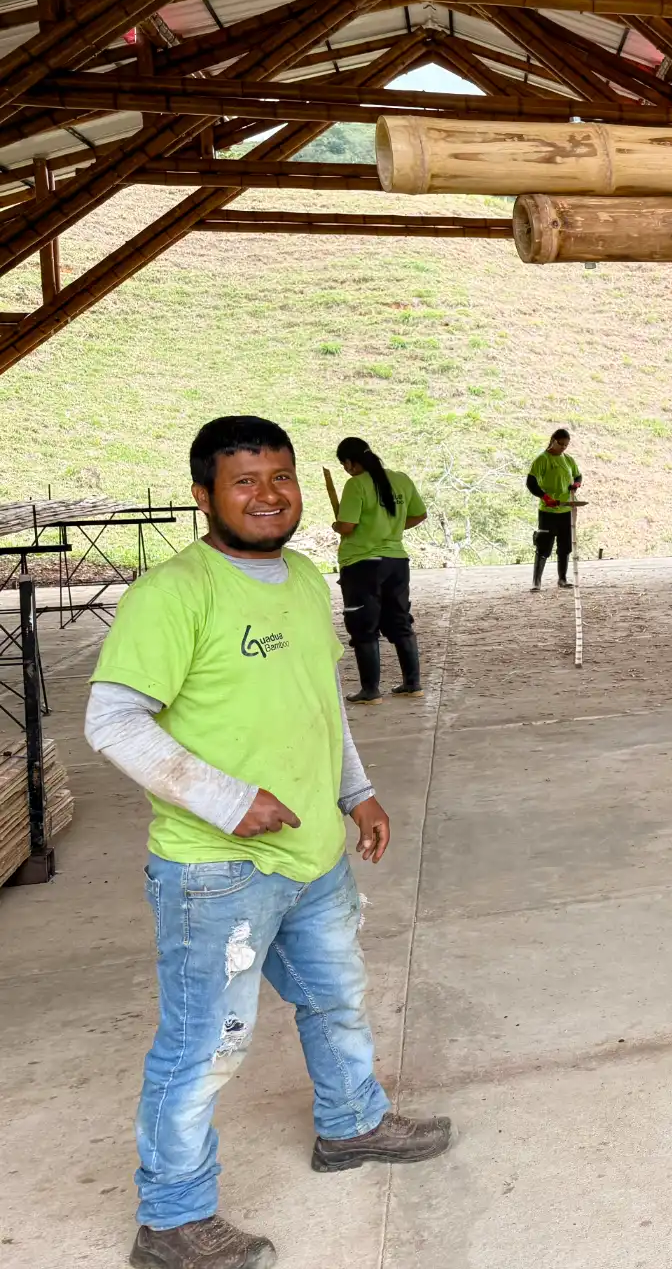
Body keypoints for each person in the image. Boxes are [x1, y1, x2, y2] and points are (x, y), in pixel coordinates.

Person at [84, 415, 450, 1269]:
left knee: (337, 998)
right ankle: (171, 1221)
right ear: (203, 495)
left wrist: (355, 793)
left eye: (280, 476)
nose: (269, 494)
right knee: (204, 1043)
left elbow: (318, 702)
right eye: (244, 481)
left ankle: (353, 1125)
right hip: (217, 873)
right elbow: (111, 720)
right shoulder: (175, 594)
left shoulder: (300, 578)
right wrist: (225, 800)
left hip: (314, 856)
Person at [322, 436, 426, 705]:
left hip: (362, 564)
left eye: (345, 464)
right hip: (396, 561)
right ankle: (413, 684)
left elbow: (347, 526)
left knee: (363, 626)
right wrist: (389, 530)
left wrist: (337, 527)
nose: (346, 469)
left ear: (351, 462)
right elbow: (419, 514)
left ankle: (370, 691)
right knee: (400, 621)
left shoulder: (356, 485)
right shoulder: (401, 479)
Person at [526, 427, 585, 592]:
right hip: (548, 511)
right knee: (543, 545)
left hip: (566, 510)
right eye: (561, 444)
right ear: (553, 440)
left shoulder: (568, 459)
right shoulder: (542, 459)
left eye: (566, 445)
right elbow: (531, 483)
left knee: (565, 546)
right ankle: (536, 582)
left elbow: (578, 475)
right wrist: (545, 497)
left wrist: (576, 484)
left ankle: (562, 579)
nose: (563, 448)